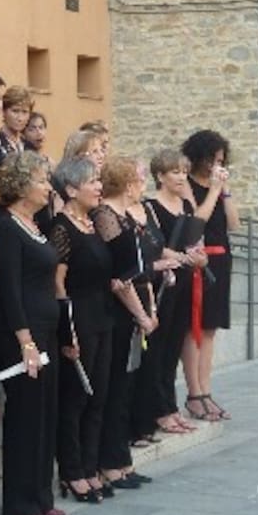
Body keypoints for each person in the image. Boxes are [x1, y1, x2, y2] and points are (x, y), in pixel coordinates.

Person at [0, 151, 64, 515]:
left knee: (46, 414)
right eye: (41, 181)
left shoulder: (35, 225)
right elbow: (9, 289)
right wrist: (25, 341)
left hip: (46, 329)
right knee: (25, 418)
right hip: (23, 334)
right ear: (21, 187)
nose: (48, 187)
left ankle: (40, 495)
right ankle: (20, 504)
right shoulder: (5, 227)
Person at [50, 156, 115, 503]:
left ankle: (90, 467)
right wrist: (67, 331)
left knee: (98, 397)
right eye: (92, 181)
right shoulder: (61, 227)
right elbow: (58, 283)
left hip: (103, 317)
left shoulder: (93, 222)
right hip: (79, 320)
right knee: (77, 398)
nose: (98, 187)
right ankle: (72, 472)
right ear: (71, 188)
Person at [93, 157, 160, 489]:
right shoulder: (106, 216)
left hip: (137, 306)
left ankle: (121, 461)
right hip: (120, 310)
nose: (143, 185)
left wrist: (150, 308)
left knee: (126, 387)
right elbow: (119, 278)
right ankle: (110, 462)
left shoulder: (128, 216)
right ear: (128, 183)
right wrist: (142, 314)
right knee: (116, 387)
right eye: (139, 180)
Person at [136, 149, 206, 439]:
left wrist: (198, 256)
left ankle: (171, 406)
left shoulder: (186, 207)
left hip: (185, 280)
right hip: (163, 283)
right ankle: (160, 410)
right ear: (160, 176)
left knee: (175, 346)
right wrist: (178, 256)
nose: (181, 177)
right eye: (174, 172)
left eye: (182, 171)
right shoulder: (151, 206)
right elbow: (155, 243)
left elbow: (196, 241)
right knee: (159, 348)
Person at [179, 129, 240, 422]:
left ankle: (206, 389)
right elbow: (196, 221)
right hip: (199, 261)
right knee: (194, 328)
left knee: (211, 329)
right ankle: (194, 393)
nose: (217, 165)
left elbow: (234, 223)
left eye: (221, 159)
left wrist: (225, 191)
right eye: (213, 159)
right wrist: (214, 190)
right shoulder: (188, 185)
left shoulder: (219, 186)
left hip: (221, 259)